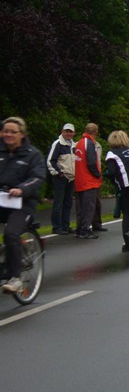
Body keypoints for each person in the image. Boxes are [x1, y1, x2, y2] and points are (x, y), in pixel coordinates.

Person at [0, 117, 46, 294]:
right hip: (2, 201)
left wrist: (22, 189)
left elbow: (37, 177)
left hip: (22, 203)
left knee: (11, 233)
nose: (9, 135)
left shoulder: (32, 154)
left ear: (22, 134)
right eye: (6, 131)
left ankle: (15, 278)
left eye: (13, 132)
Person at [74, 123, 103, 239]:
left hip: (80, 179)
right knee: (89, 207)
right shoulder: (89, 143)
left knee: (81, 207)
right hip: (88, 180)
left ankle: (79, 229)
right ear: (96, 132)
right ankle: (85, 230)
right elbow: (91, 162)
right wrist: (98, 175)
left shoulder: (80, 143)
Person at [46, 123, 76, 234]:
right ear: (62, 132)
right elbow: (50, 161)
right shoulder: (58, 144)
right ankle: (56, 227)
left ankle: (65, 225)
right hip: (61, 177)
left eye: (70, 131)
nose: (68, 133)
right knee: (58, 202)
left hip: (71, 178)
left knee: (68, 202)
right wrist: (59, 173)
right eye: (66, 131)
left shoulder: (74, 145)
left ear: (73, 133)